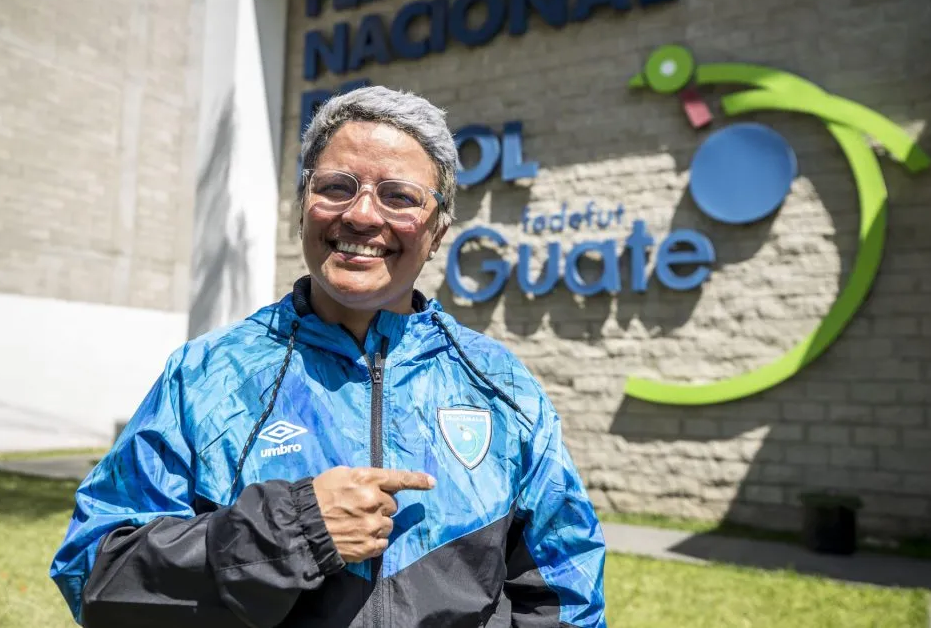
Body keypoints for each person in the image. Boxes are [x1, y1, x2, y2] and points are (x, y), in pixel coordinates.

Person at [49, 86, 607, 627]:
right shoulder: (207, 373)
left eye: (399, 196)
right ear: (303, 207)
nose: (363, 216)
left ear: (436, 231)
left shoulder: (500, 384)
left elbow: (564, 592)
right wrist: (292, 530)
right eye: (338, 186)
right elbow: (96, 576)